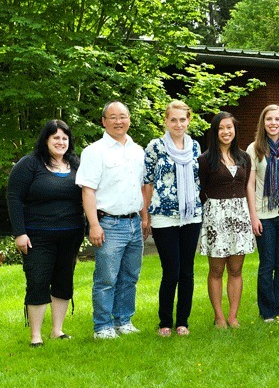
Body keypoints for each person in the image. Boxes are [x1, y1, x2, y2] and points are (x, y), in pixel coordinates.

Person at [7, 120, 84, 347]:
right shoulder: (29, 164)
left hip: (71, 235)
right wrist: (19, 232)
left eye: (64, 138)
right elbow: (14, 198)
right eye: (56, 137)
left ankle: (57, 331)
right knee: (38, 281)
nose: (61, 142)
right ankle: (36, 336)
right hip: (37, 236)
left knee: (63, 281)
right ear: (46, 140)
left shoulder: (76, 164)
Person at [76, 100, 147, 339]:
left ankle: (124, 321)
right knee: (106, 278)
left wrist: (144, 218)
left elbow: (142, 186)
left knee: (130, 276)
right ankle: (102, 327)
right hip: (109, 224)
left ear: (129, 119)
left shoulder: (138, 151)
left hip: (134, 222)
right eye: (113, 117)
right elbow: (88, 190)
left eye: (123, 116)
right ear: (104, 121)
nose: (119, 121)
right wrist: (94, 224)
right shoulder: (95, 151)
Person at [143, 101, 202, 337]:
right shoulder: (155, 147)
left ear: (189, 121)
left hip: (191, 216)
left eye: (182, 119)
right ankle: (165, 321)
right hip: (163, 218)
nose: (178, 124)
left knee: (187, 271)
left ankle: (183, 322)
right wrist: (145, 215)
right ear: (166, 121)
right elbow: (146, 182)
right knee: (171, 271)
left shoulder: (195, 147)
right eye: (173, 119)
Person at [198, 111, 255, 329]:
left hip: (239, 218)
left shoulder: (244, 158)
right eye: (221, 128)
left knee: (236, 270)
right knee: (216, 270)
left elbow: (246, 186)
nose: (226, 132)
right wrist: (215, 210)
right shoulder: (205, 160)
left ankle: (233, 316)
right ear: (214, 132)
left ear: (235, 130)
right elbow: (201, 190)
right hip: (216, 219)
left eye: (229, 127)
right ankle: (219, 317)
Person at [246, 105, 279, 322]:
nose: (273, 123)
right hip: (263, 214)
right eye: (269, 119)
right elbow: (250, 185)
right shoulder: (254, 148)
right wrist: (253, 215)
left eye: (277, 119)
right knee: (267, 264)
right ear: (263, 122)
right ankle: (267, 312)